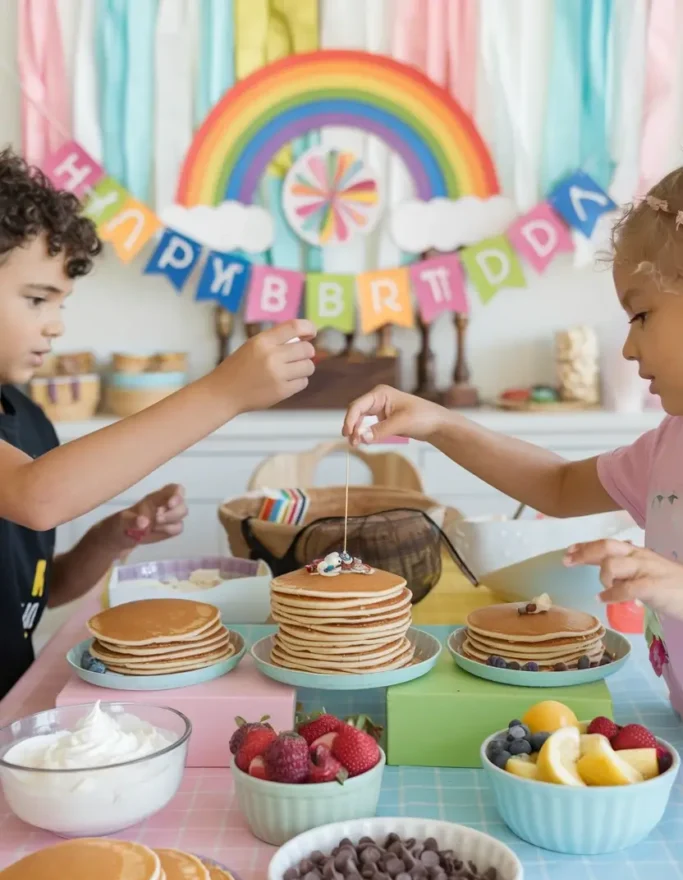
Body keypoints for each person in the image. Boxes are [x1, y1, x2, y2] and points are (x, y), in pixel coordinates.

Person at [344, 166, 683, 714]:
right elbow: (556, 484)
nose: (627, 348)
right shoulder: (666, 449)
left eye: (641, 313)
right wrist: (438, 423)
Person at [0, 148, 316, 698]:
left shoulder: (27, 419)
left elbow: (39, 591)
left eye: (61, 304)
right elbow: (37, 496)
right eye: (36, 300)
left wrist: (110, 537)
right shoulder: (29, 470)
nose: (54, 326)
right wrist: (224, 392)